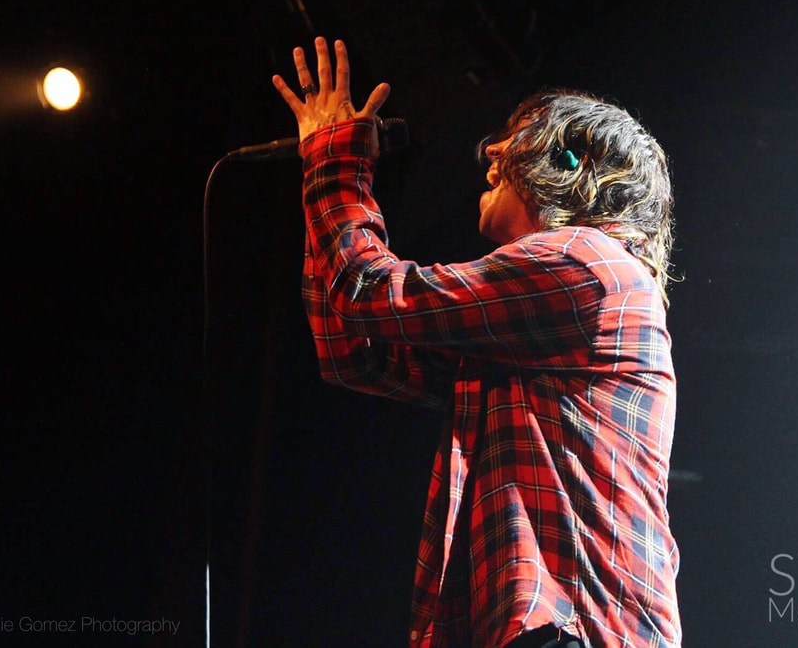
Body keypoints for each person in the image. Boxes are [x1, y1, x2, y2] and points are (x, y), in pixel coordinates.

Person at [273, 37, 681, 648]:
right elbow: (356, 353)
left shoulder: (585, 264)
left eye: (518, 137)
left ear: (570, 163)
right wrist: (321, 170)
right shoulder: (534, 324)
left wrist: (335, 161)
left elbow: (368, 292)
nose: (490, 151)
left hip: (581, 630)